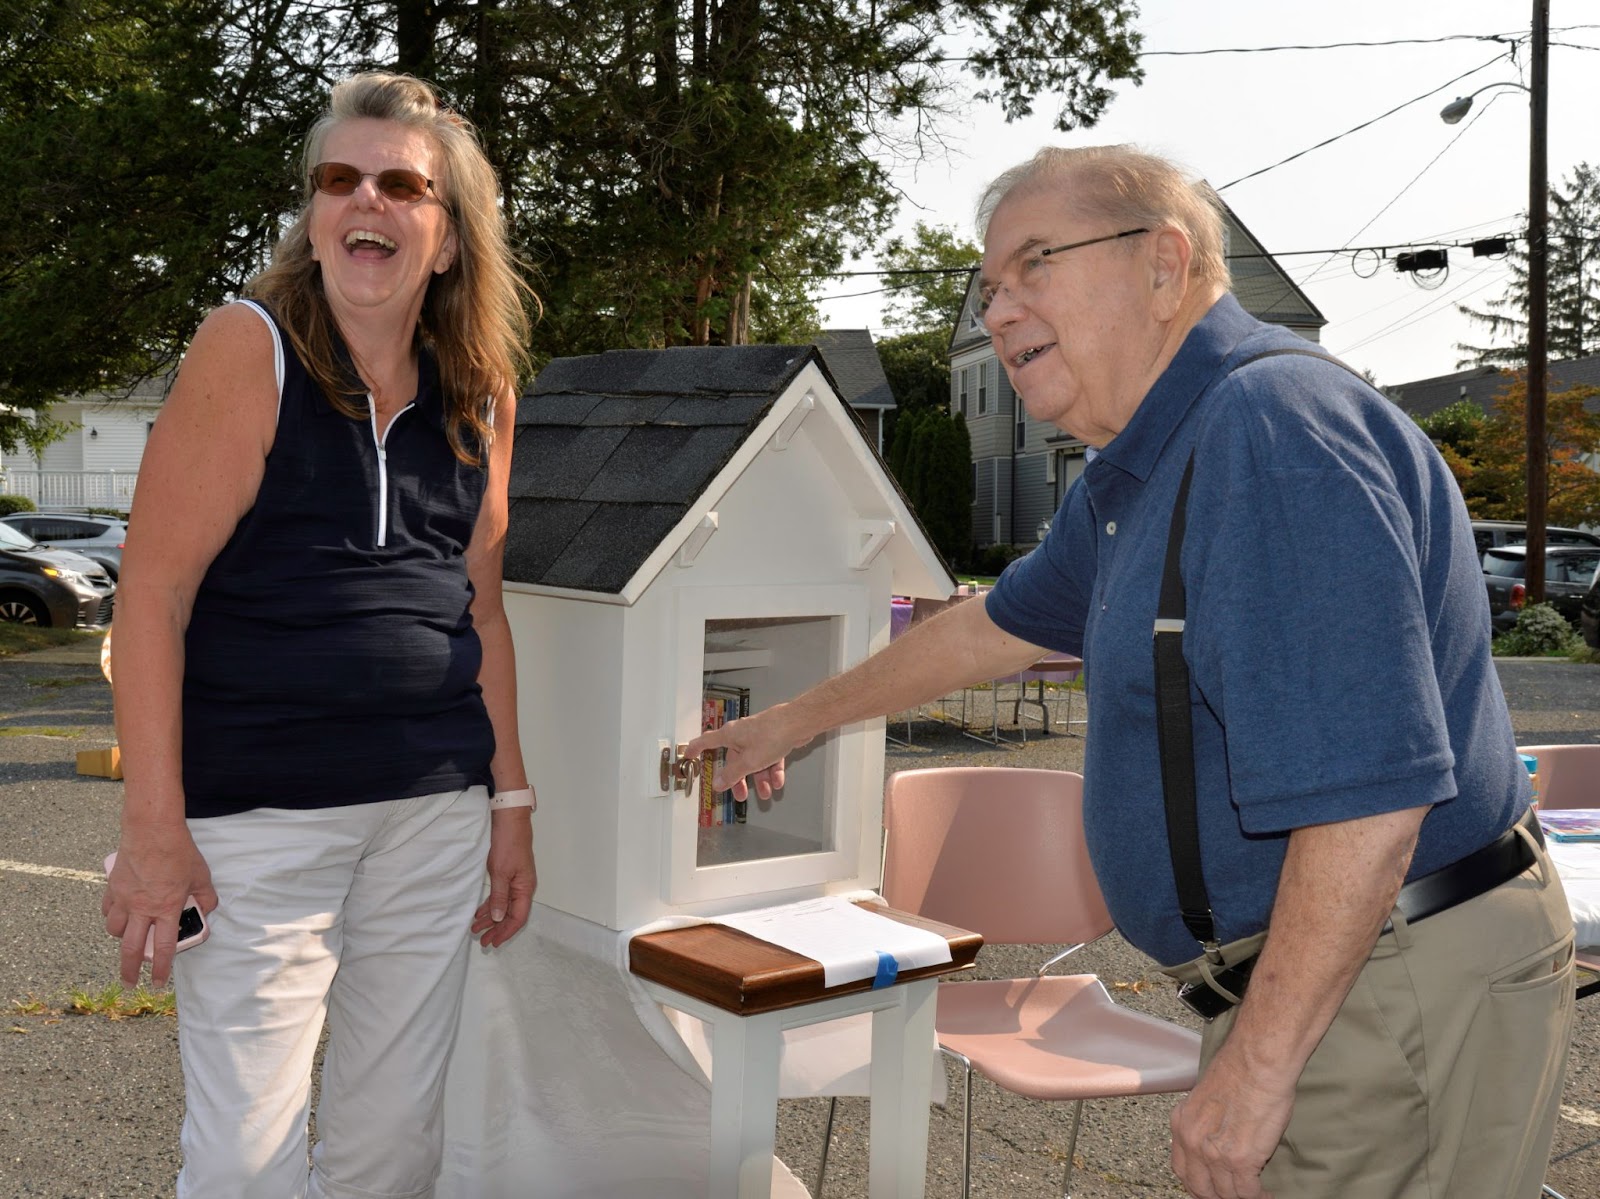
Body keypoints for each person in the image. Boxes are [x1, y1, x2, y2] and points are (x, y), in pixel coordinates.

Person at [687, 145, 1575, 1199]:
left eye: (1034, 264)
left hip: (1385, 983)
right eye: (989, 287)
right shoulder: (1144, 467)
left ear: (1164, 264)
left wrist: (1257, 1067)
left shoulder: (1268, 428)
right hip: (1339, 976)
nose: (998, 312)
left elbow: (1368, 802)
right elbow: (987, 632)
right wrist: (784, 721)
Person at [101, 72, 538, 1199]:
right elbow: (151, 595)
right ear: (313, 213)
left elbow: (481, 609)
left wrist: (511, 806)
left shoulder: (483, 391)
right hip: (260, 821)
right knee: (241, 1163)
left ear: (449, 239)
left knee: (393, 1151)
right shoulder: (247, 347)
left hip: (432, 816)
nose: (365, 200)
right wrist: (154, 829)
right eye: (339, 179)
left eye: (401, 185)